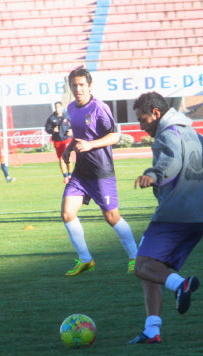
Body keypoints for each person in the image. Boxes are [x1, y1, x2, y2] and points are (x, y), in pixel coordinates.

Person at [128, 92, 203, 344]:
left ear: (156, 113)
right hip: (199, 214)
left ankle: (180, 285)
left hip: (175, 213)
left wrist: (155, 173)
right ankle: (152, 329)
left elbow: (171, 159)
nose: (142, 127)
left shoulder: (167, 132)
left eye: (143, 120)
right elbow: (202, 159)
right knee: (151, 270)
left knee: (141, 266)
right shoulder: (192, 131)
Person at [61, 68, 137, 276]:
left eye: (82, 85)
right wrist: (69, 149)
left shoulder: (99, 108)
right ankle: (86, 259)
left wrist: (91, 145)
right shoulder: (71, 107)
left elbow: (115, 137)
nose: (78, 89)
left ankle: (135, 258)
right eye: (74, 85)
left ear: (90, 85)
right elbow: (79, 136)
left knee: (112, 217)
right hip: (80, 172)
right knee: (67, 213)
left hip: (101, 172)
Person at [45, 101, 73, 183]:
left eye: (58, 107)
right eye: (56, 107)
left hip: (66, 139)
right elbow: (47, 129)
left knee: (67, 156)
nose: (57, 108)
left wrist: (71, 130)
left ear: (61, 107)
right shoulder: (51, 118)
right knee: (61, 159)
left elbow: (73, 124)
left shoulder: (67, 116)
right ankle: (65, 177)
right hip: (57, 140)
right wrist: (52, 130)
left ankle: (70, 175)